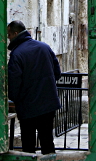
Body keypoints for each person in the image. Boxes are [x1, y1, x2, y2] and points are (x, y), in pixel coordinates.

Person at [7, 20, 61, 154]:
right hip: (48, 104)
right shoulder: (44, 47)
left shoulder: (16, 54)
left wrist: (15, 99)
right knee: (47, 140)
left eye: (9, 34)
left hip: (27, 106)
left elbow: (14, 83)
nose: (8, 38)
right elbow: (57, 73)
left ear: (15, 33)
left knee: (28, 143)